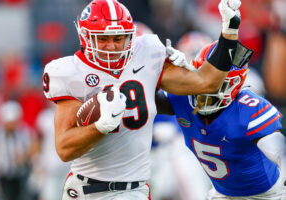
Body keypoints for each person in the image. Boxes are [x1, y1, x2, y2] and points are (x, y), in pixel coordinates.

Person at [42, 0, 246, 199]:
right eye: (102, 39)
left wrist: (229, 33)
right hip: (83, 189)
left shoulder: (146, 53)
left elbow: (207, 82)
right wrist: (101, 126)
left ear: (130, 36)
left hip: (132, 190)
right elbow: (64, 149)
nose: (111, 47)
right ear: (86, 37)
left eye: (118, 38)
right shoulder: (70, 72)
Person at [156, 42, 286, 200]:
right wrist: (159, 70)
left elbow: (280, 152)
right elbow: (148, 98)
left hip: (265, 196)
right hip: (222, 194)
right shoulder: (183, 98)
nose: (208, 89)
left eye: (217, 85)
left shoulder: (248, 109)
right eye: (205, 79)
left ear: (235, 84)